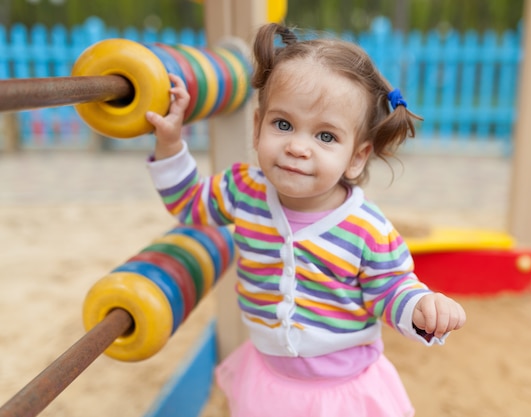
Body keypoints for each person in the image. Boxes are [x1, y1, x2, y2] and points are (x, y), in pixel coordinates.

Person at [145, 22, 466, 417]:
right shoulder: (244, 191)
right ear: (258, 125)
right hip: (268, 382)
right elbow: (190, 204)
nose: (297, 147)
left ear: (357, 157)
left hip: (342, 394)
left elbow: (391, 288)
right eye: (283, 125)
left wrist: (421, 305)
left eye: (326, 137)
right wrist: (171, 144)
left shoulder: (367, 229)